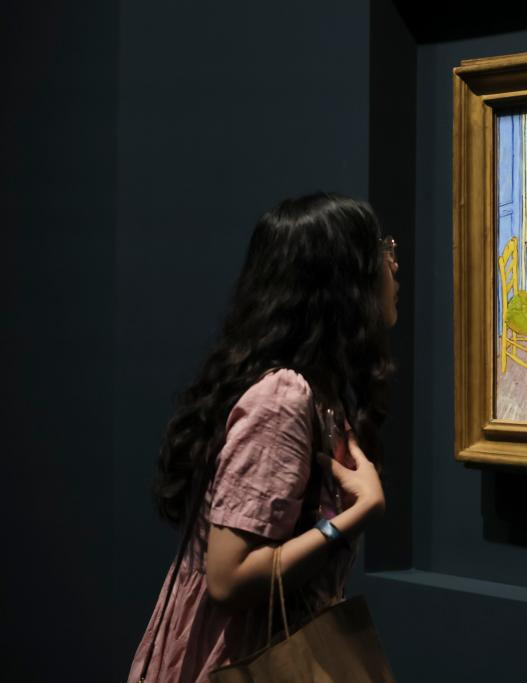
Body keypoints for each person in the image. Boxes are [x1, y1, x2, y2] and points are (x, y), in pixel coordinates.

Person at [127, 193, 400, 682]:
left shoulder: (321, 391)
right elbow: (228, 578)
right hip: (236, 660)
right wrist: (356, 516)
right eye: (381, 248)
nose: (393, 264)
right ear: (341, 278)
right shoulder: (283, 397)